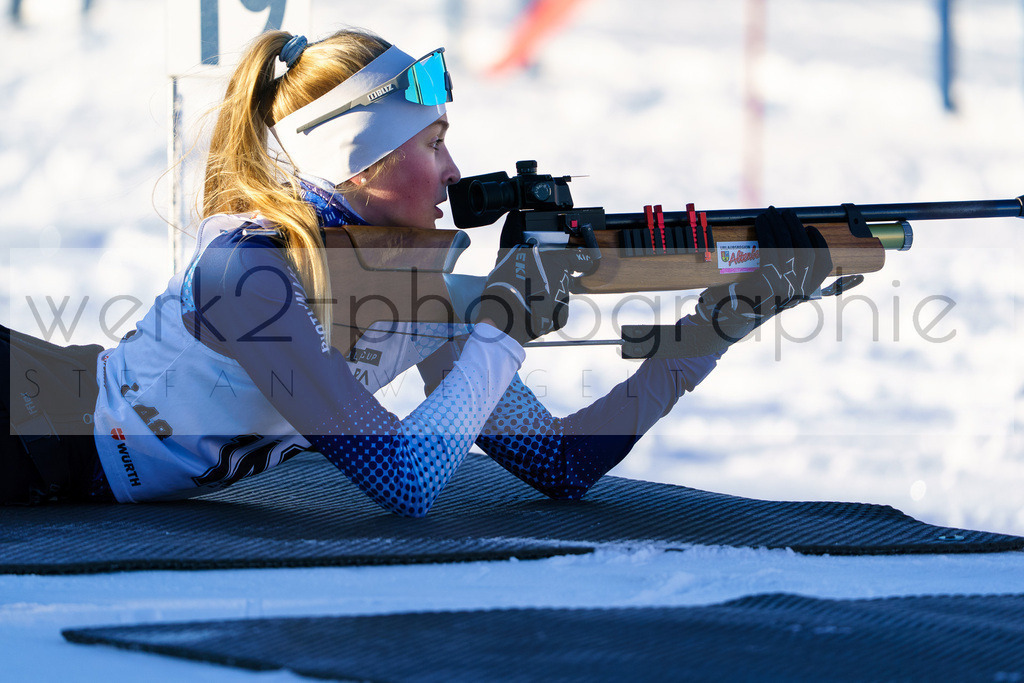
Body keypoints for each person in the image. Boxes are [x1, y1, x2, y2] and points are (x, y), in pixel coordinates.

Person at [2, 28, 832, 514]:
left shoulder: (396, 283)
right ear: (356, 160)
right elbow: (404, 480)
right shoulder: (245, 271)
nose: (452, 171)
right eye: (432, 144)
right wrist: (502, 325)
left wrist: (722, 323)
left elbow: (560, 464)